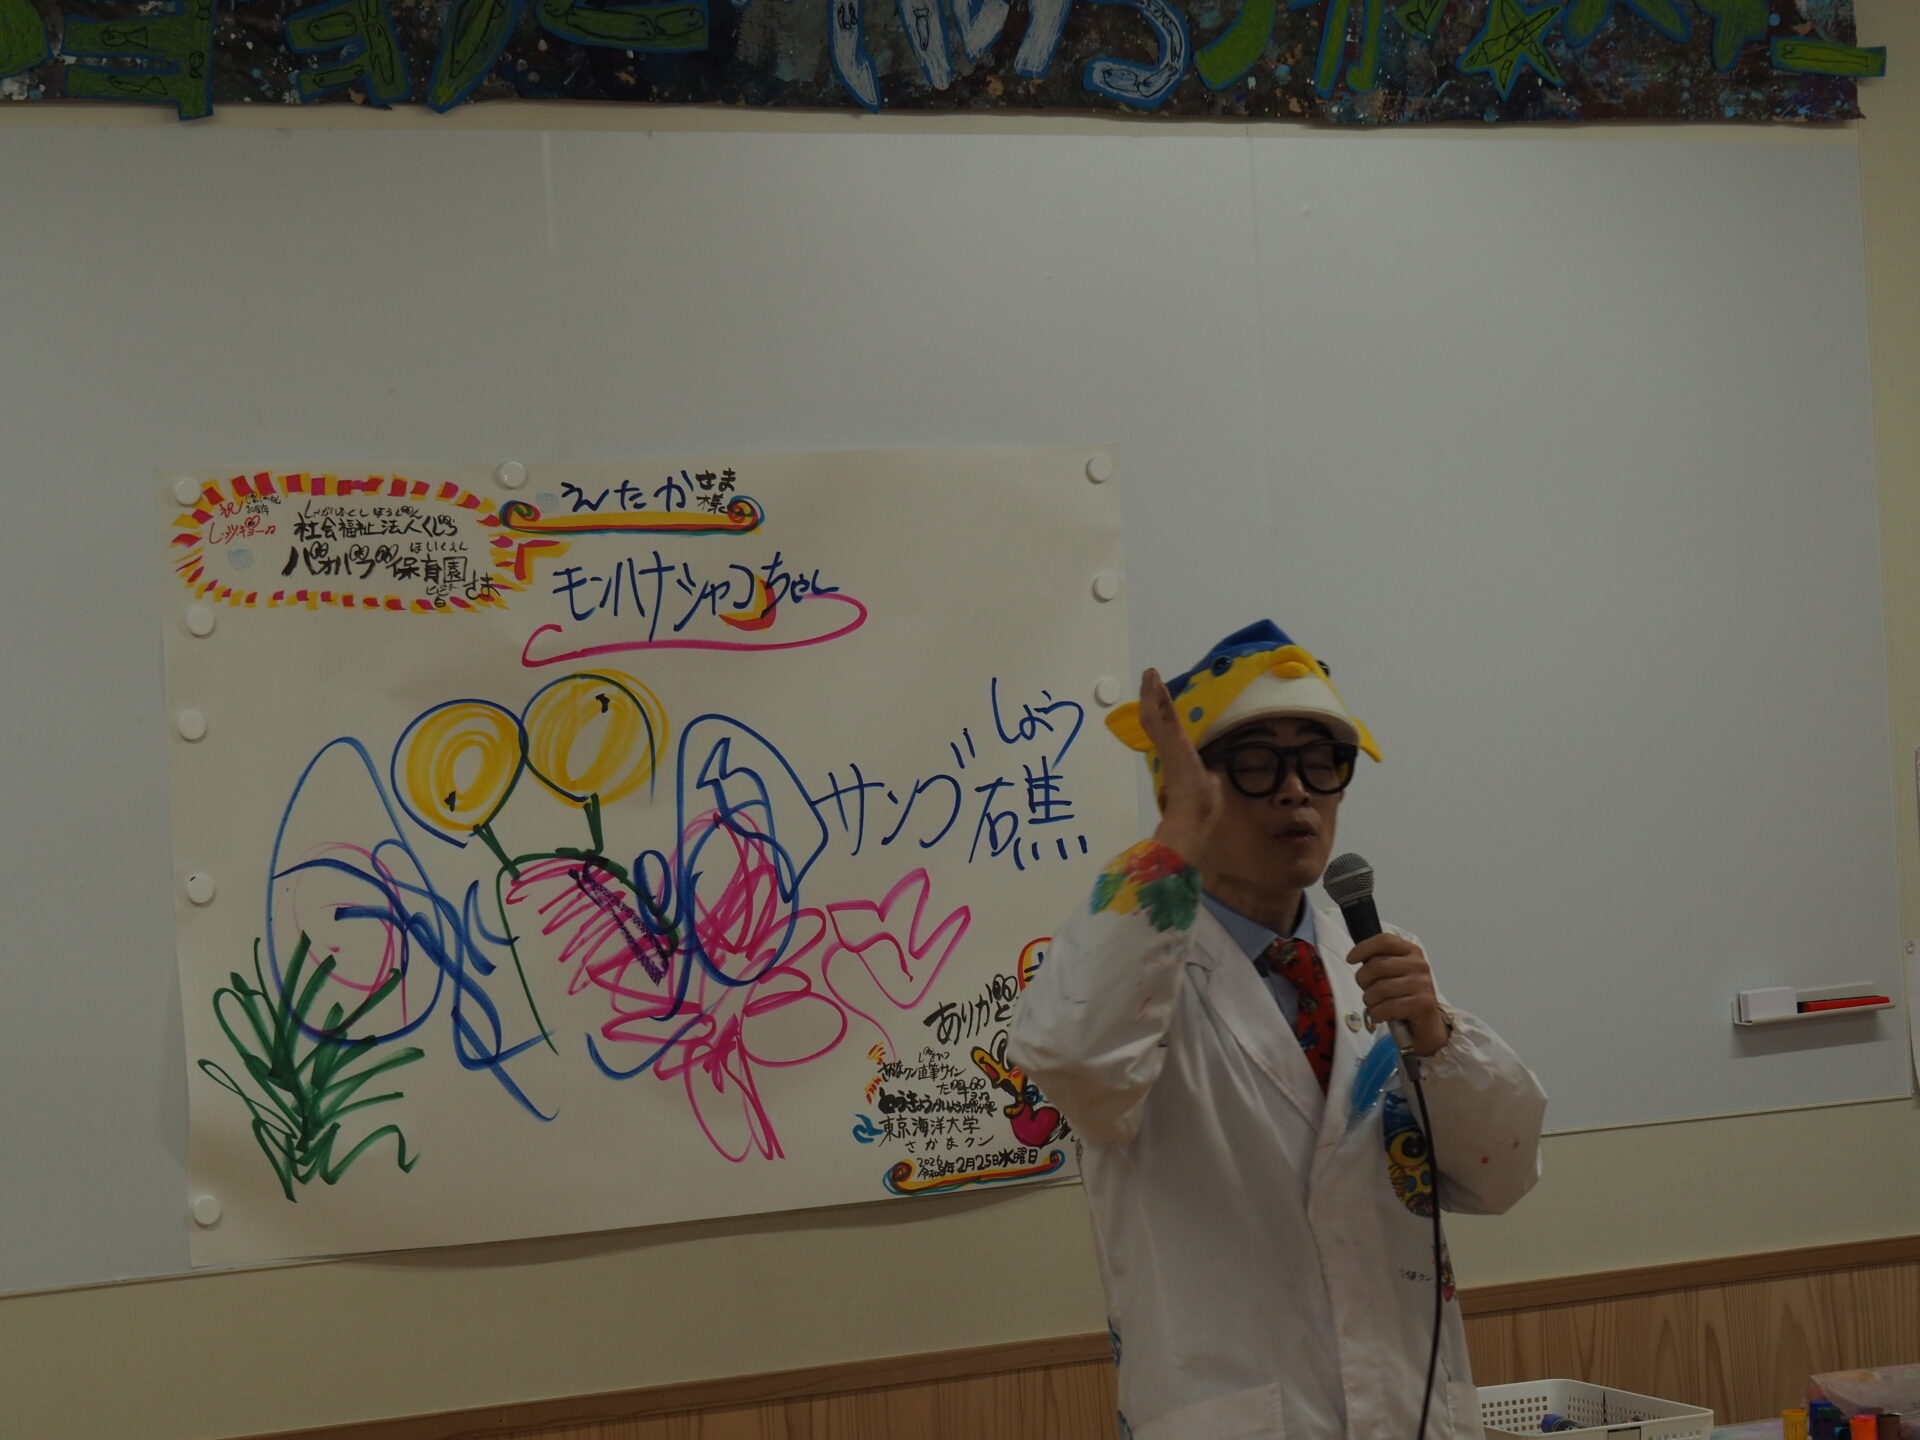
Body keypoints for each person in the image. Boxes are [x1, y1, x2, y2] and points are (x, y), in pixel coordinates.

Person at [1008, 621, 1547, 1440]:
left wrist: (1439, 1041)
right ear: (1189, 792)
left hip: (1407, 1408)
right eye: (1257, 763)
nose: (1297, 790)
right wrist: (1173, 843)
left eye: (1321, 760)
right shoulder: (1136, 972)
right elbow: (1071, 1059)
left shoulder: (1379, 968)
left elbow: (1500, 1175)